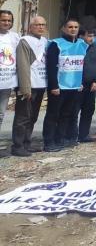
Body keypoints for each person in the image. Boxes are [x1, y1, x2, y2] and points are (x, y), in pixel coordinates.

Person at [43, 19, 90, 151]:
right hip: (59, 87)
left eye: (75, 27)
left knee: (66, 114)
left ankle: (60, 138)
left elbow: (82, 65)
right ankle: (49, 141)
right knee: (53, 115)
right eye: (70, 27)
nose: (73, 29)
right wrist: (53, 86)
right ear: (64, 28)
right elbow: (51, 67)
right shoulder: (56, 44)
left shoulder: (82, 44)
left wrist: (81, 82)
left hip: (74, 87)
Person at [11, 16, 49, 157]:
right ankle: (18, 145)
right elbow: (22, 65)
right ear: (31, 27)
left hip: (40, 84)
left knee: (33, 116)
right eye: (37, 24)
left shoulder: (45, 41)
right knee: (23, 117)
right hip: (28, 86)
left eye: (43, 24)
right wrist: (25, 88)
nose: (40, 27)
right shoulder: (25, 41)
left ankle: (27, 142)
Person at [75, 28, 96, 144]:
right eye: (89, 36)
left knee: (89, 110)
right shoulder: (76, 47)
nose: (92, 38)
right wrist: (77, 81)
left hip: (91, 85)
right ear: (81, 36)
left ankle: (83, 134)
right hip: (78, 85)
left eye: (93, 36)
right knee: (74, 111)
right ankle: (71, 135)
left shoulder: (95, 47)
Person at [0, 9, 21, 155]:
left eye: (9, 20)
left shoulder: (15, 37)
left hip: (6, 82)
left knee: (1, 114)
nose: (7, 23)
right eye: (3, 20)